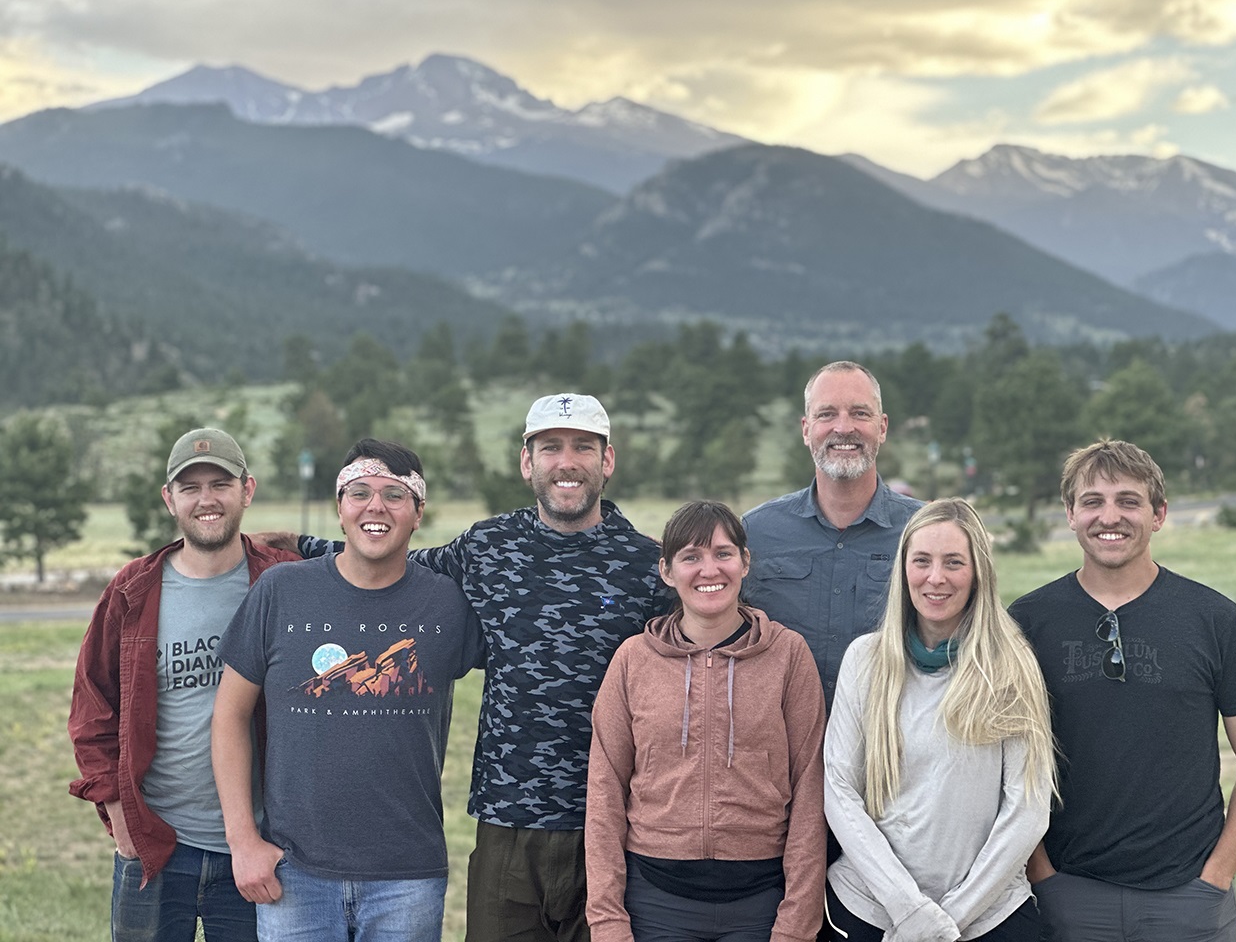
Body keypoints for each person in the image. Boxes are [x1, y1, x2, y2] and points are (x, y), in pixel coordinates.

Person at [273, 394, 667, 942]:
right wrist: (300, 545)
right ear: (527, 462)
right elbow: (394, 565)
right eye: (550, 448)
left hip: (612, 820)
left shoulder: (648, 566)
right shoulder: (488, 546)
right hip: (506, 817)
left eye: (583, 447)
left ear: (608, 461)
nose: (567, 462)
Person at [211, 438, 483, 942]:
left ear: (418, 513)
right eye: (359, 492)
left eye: (395, 495)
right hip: (295, 871)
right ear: (340, 509)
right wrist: (243, 840)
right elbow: (229, 716)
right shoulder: (281, 591)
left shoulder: (448, 604)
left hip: (409, 875)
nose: (375, 506)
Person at [1009, 440, 1236, 942]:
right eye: (1092, 501)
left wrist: (1215, 878)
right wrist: (1041, 875)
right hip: (1067, 894)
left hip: (1190, 897)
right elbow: (1003, 764)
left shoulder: (1215, 619)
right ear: (1069, 514)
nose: (1109, 516)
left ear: (1159, 514)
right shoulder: (1025, 623)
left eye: (1128, 501)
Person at [68, 427, 297, 942]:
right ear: (169, 498)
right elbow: (92, 710)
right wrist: (123, 824)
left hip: (258, 851)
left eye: (220, 483)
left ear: (248, 489)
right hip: (156, 848)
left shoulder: (285, 582)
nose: (207, 499)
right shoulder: (133, 591)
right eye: (190, 487)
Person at [585, 500, 827, 942]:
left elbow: (811, 788)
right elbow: (604, 793)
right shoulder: (633, 660)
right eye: (691, 557)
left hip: (759, 904)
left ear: (745, 562)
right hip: (655, 903)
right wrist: (607, 922)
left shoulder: (789, 655)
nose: (709, 569)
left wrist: (796, 923)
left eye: (722, 553)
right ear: (666, 571)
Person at [825, 498, 1056, 942]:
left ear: (978, 573)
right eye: (922, 561)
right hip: (872, 907)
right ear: (903, 570)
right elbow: (839, 792)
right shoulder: (866, 660)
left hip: (986, 913)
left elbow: (1027, 810)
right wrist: (909, 910)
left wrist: (945, 922)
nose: (936, 577)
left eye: (954, 562)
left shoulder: (1012, 664)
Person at [742, 361, 923, 709]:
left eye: (859, 413)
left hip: (890, 749)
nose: (843, 428)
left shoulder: (923, 532)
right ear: (806, 429)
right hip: (783, 752)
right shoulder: (755, 534)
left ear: (882, 427)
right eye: (827, 414)